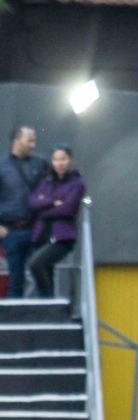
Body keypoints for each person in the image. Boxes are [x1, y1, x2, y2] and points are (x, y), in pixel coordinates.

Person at [23, 146, 85, 298]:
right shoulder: (47, 181)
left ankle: (47, 301)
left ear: (70, 160)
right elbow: (32, 202)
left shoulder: (77, 183)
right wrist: (52, 202)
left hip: (62, 237)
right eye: (56, 160)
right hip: (42, 235)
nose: (60, 163)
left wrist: (44, 213)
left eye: (63, 159)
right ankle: (48, 302)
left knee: (36, 264)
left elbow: (68, 208)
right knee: (45, 269)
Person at [0, 125, 46, 297]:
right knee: (15, 280)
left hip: (36, 229)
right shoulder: (1, 165)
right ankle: (15, 313)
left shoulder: (40, 164)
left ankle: (47, 310)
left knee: (43, 275)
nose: (33, 145)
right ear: (16, 141)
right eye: (30, 141)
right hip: (11, 231)